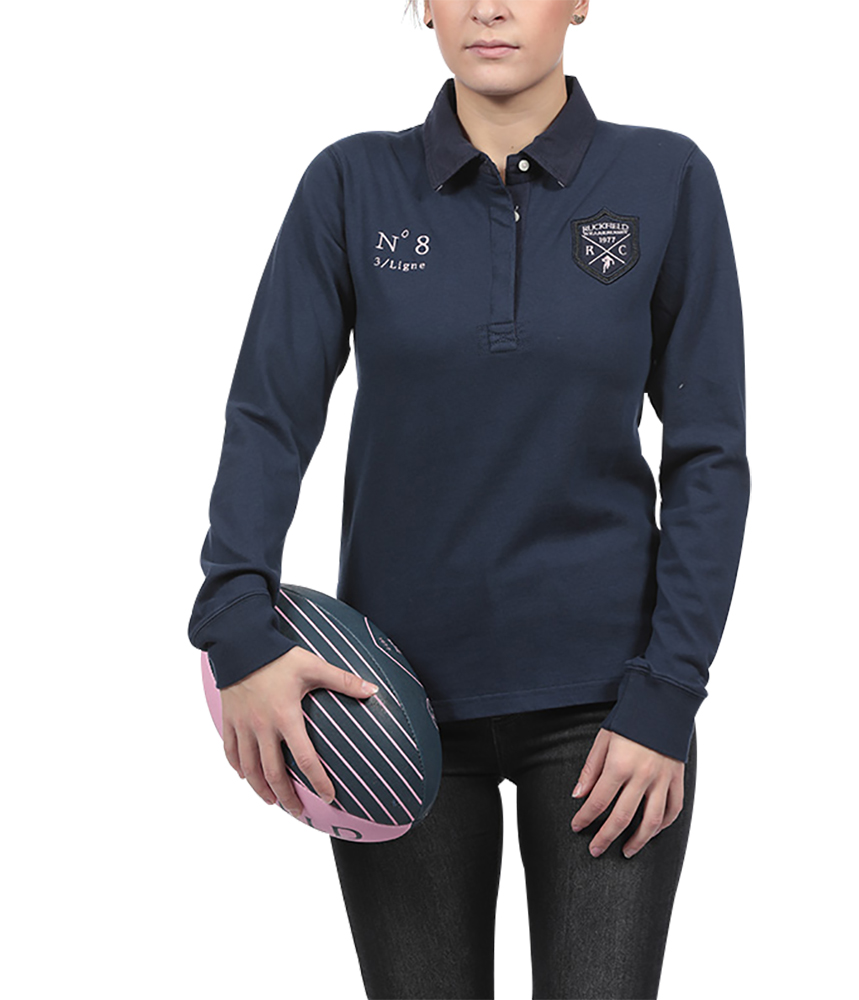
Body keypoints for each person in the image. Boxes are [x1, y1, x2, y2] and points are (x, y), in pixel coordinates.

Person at [188, 1, 750, 996]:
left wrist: (668, 695)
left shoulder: (665, 178)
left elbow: (709, 455)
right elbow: (268, 415)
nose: (489, 6)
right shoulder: (350, 183)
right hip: (382, 706)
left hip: (609, 714)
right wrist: (237, 624)